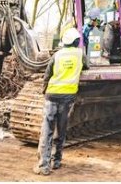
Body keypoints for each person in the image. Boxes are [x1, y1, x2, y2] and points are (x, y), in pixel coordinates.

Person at [34, 27, 88, 176]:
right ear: (76, 42)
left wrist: (44, 90)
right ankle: (56, 161)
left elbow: (47, 75)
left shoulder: (56, 55)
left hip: (52, 96)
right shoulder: (80, 54)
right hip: (67, 98)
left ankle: (44, 166)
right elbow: (86, 66)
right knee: (61, 129)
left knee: (47, 131)